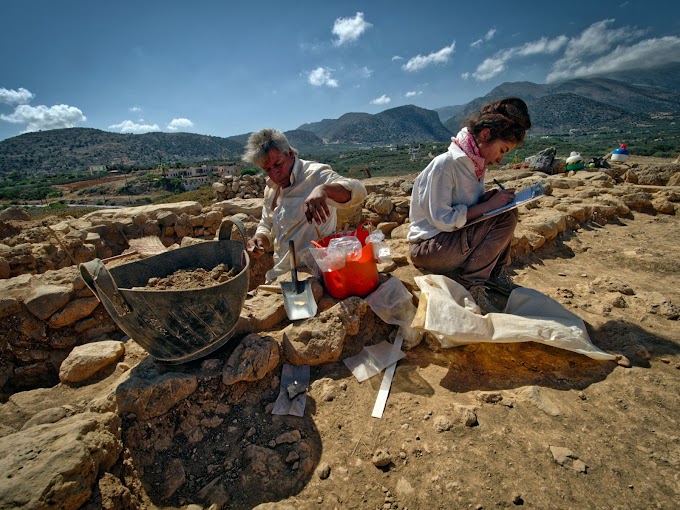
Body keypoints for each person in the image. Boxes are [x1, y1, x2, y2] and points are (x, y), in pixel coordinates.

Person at [407, 97, 532, 313]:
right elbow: (444, 220)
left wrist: (490, 201)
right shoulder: (446, 164)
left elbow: (467, 207)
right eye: (502, 150)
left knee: (507, 211)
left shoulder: (474, 164)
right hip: (428, 249)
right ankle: (471, 284)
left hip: (449, 242)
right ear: (485, 135)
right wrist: (487, 206)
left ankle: (493, 275)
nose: (501, 159)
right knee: (499, 214)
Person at [243, 128, 367, 282]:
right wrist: (260, 238)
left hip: (315, 275)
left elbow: (359, 191)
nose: (275, 174)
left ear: (289, 153)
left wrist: (324, 190)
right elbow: (267, 223)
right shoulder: (271, 187)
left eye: (278, 164)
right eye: (267, 169)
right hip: (282, 274)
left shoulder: (315, 174)